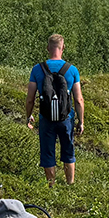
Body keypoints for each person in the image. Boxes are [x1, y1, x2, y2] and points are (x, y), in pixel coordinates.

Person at [25, 34, 85, 185]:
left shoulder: (37, 69)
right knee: (68, 150)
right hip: (66, 118)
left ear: (48, 48)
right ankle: (70, 184)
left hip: (46, 117)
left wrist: (28, 116)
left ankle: (51, 185)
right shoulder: (72, 70)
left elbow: (30, 98)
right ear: (63, 48)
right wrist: (81, 121)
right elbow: (78, 99)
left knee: (47, 151)